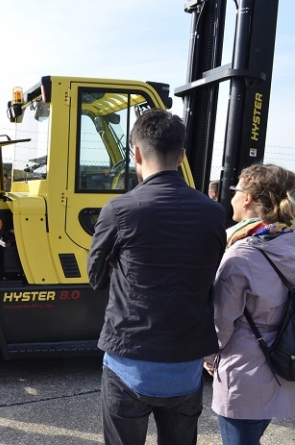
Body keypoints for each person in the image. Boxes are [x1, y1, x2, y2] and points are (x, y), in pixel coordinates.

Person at [87, 109, 226, 445]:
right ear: (181, 156)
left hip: (128, 362)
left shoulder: (119, 209)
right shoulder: (214, 212)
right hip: (186, 366)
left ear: (136, 152)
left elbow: (94, 275)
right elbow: (213, 270)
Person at [204, 164, 295, 444]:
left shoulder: (241, 254)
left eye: (235, 191)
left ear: (247, 198)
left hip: (244, 371)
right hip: (284, 360)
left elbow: (221, 322)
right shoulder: (289, 241)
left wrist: (208, 356)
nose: (230, 196)